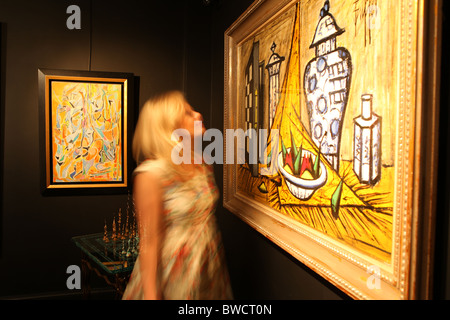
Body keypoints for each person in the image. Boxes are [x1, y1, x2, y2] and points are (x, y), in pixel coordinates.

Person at [122, 91, 233, 300]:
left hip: (207, 268)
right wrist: (152, 296)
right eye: (188, 113)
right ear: (169, 126)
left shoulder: (202, 163)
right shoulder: (151, 174)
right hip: (173, 273)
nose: (199, 114)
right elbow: (150, 241)